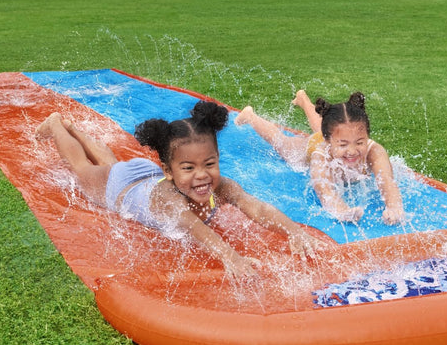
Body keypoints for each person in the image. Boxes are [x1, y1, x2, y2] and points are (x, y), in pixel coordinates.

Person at [36, 100, 323, 281]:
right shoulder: (168, 198)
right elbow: (196, 228)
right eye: (189, 168)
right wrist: (231, 257)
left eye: (209, 163)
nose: (202, 175)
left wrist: (293, 230)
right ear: (169, 170)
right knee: (83, 168)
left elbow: (256, 207)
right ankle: (58, 126)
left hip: (142, 174)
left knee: (111, 162)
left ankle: (75, 129)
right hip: (121, 186)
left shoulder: (220, 186)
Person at [236, 90, 405, 225]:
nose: (352, 151)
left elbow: (388, 182)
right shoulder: (320, 154)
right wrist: (342, 210)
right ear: (328, 141)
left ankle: (303, 99)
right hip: (313, 144)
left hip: (333, 134)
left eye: (360, 142)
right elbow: (324, 190)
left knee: (331, 128)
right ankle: (250, 116)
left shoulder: (374, 151)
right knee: (284, 145)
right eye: (343, 145)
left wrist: (394, 206)